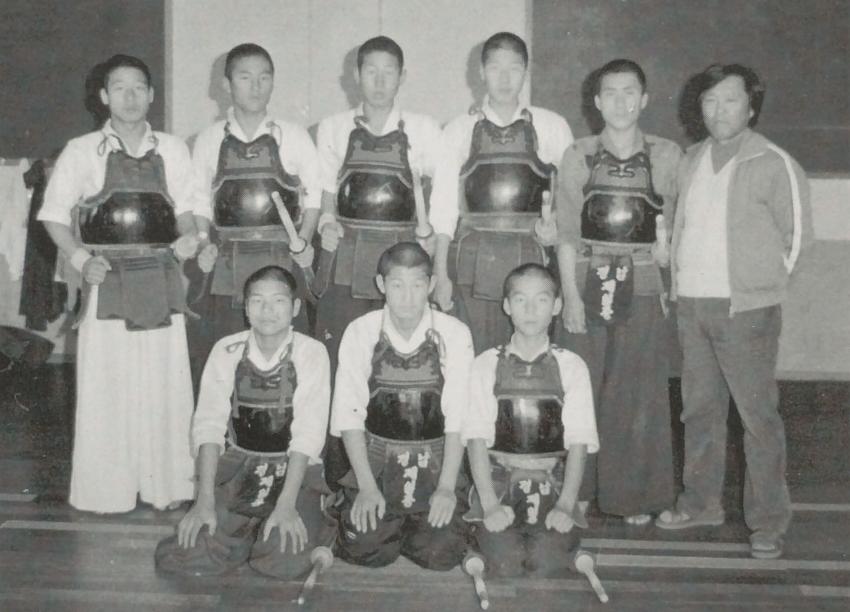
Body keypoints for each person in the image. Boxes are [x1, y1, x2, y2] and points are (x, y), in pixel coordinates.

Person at [656, 64, 812, 561]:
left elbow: (797, 239)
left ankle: (768, 522)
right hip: (692, 306)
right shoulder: (691, 159)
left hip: (747, 310)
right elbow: (677, 225)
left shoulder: (773, 162)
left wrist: (761, 289)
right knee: (698, 411)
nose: (718, 111)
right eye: (709, 101)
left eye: (729, 100)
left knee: (757, 418)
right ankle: (701, 503)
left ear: (750, 106)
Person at [38, 54, 198, 513]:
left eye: (139, 88)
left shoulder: (174, 149)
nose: (130, 97)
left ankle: (167, 486)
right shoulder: (81, 150)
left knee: (164, 386)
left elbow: (187, 210)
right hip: (107, 281)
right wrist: (81, 259)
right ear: (104, 96)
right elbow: (52, 216)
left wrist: (190, 238)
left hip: (160, 280)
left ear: (151, 95)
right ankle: (106, 492)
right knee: (107, 388)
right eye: (120, 88)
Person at [553, 59, 680, 524]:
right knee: (580, 389)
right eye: (611, 93)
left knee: (639, 394)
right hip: (587, 279)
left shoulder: (668, 155)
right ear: (597, 101)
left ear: (644, 99)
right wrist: (569, 295)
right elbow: (566, 234)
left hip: (643, 283)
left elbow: (679, 229)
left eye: (630, 92)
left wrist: (667, 257)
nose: (621, 102)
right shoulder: (577, 154)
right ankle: (578, 491)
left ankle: (633, 496)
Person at [155, 266, 335, 577]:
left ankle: (272, 526)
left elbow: (308, 434)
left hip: (295, 471)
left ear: (295, 307)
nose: (267, 310)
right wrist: (204, 501)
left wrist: (286, 504)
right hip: (240, 468)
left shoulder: (311, 352)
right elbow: (209, 426)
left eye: (278, 301)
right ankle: (246, 530)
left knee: (284, 561)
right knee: (189, 552)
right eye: (257, 301)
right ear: (246, 307)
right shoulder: (227, 349)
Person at [330, 242, 475, 569]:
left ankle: (411, 524)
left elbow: (458, 419)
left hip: (436, 458)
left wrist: (446, 488)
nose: (408, 297)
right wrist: (366, 487)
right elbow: (349, 416)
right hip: (377, 458)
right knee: (367, 548)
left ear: (431, 285)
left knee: (440, 553)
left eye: (417, 285)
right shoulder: (361, 331)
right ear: (381, 284)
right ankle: (392, 523)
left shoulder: (454, 333)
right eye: (397, 285)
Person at [429, 31, 573, 352]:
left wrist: (556, 227)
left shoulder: (552, 126)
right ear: (481, 72)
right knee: (473, 354)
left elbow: (571, 200)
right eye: (495, 68)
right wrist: (440, 274)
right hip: (471, 260)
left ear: (526, 72)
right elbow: (442, 208)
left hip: (532, 257)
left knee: (529, 357)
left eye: (514, 68)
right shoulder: (458, 129)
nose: (505, 79)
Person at [188, 43, 322, 386]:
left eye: (264, 77)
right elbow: (199, 200)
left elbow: (313, 197)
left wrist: (304, 240)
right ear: (226, 84)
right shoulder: (208, 139)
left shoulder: (293, 135)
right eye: (245, 77)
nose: (256, 86)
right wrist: (203, 242)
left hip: (282, 256)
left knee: (288, 357)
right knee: (226, 354)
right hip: (228, 261)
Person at [313, 35, 442, 368]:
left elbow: (443, 197)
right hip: (347, 256)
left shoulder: (425, 129)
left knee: (401, 357)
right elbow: (326, 193)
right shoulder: (332, 127)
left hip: (403, 255)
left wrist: (431, 235)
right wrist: (326, 223)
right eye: (371, 71)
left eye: (389, 72)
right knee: (342, 356)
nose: (380, 81)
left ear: (402, 76)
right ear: (356, 75)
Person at [463, 263, 599, 577]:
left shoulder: (572, 366)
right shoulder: (485, 364)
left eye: (541, 300)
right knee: (505, 562)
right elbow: (475, 439)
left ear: (557, 306)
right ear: (507, 306)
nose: (530, 310)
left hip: (552, 482)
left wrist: (566, 504)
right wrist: (489, 505)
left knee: (545, 562)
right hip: (499, 482)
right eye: (521, 300)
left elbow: (579, 442)